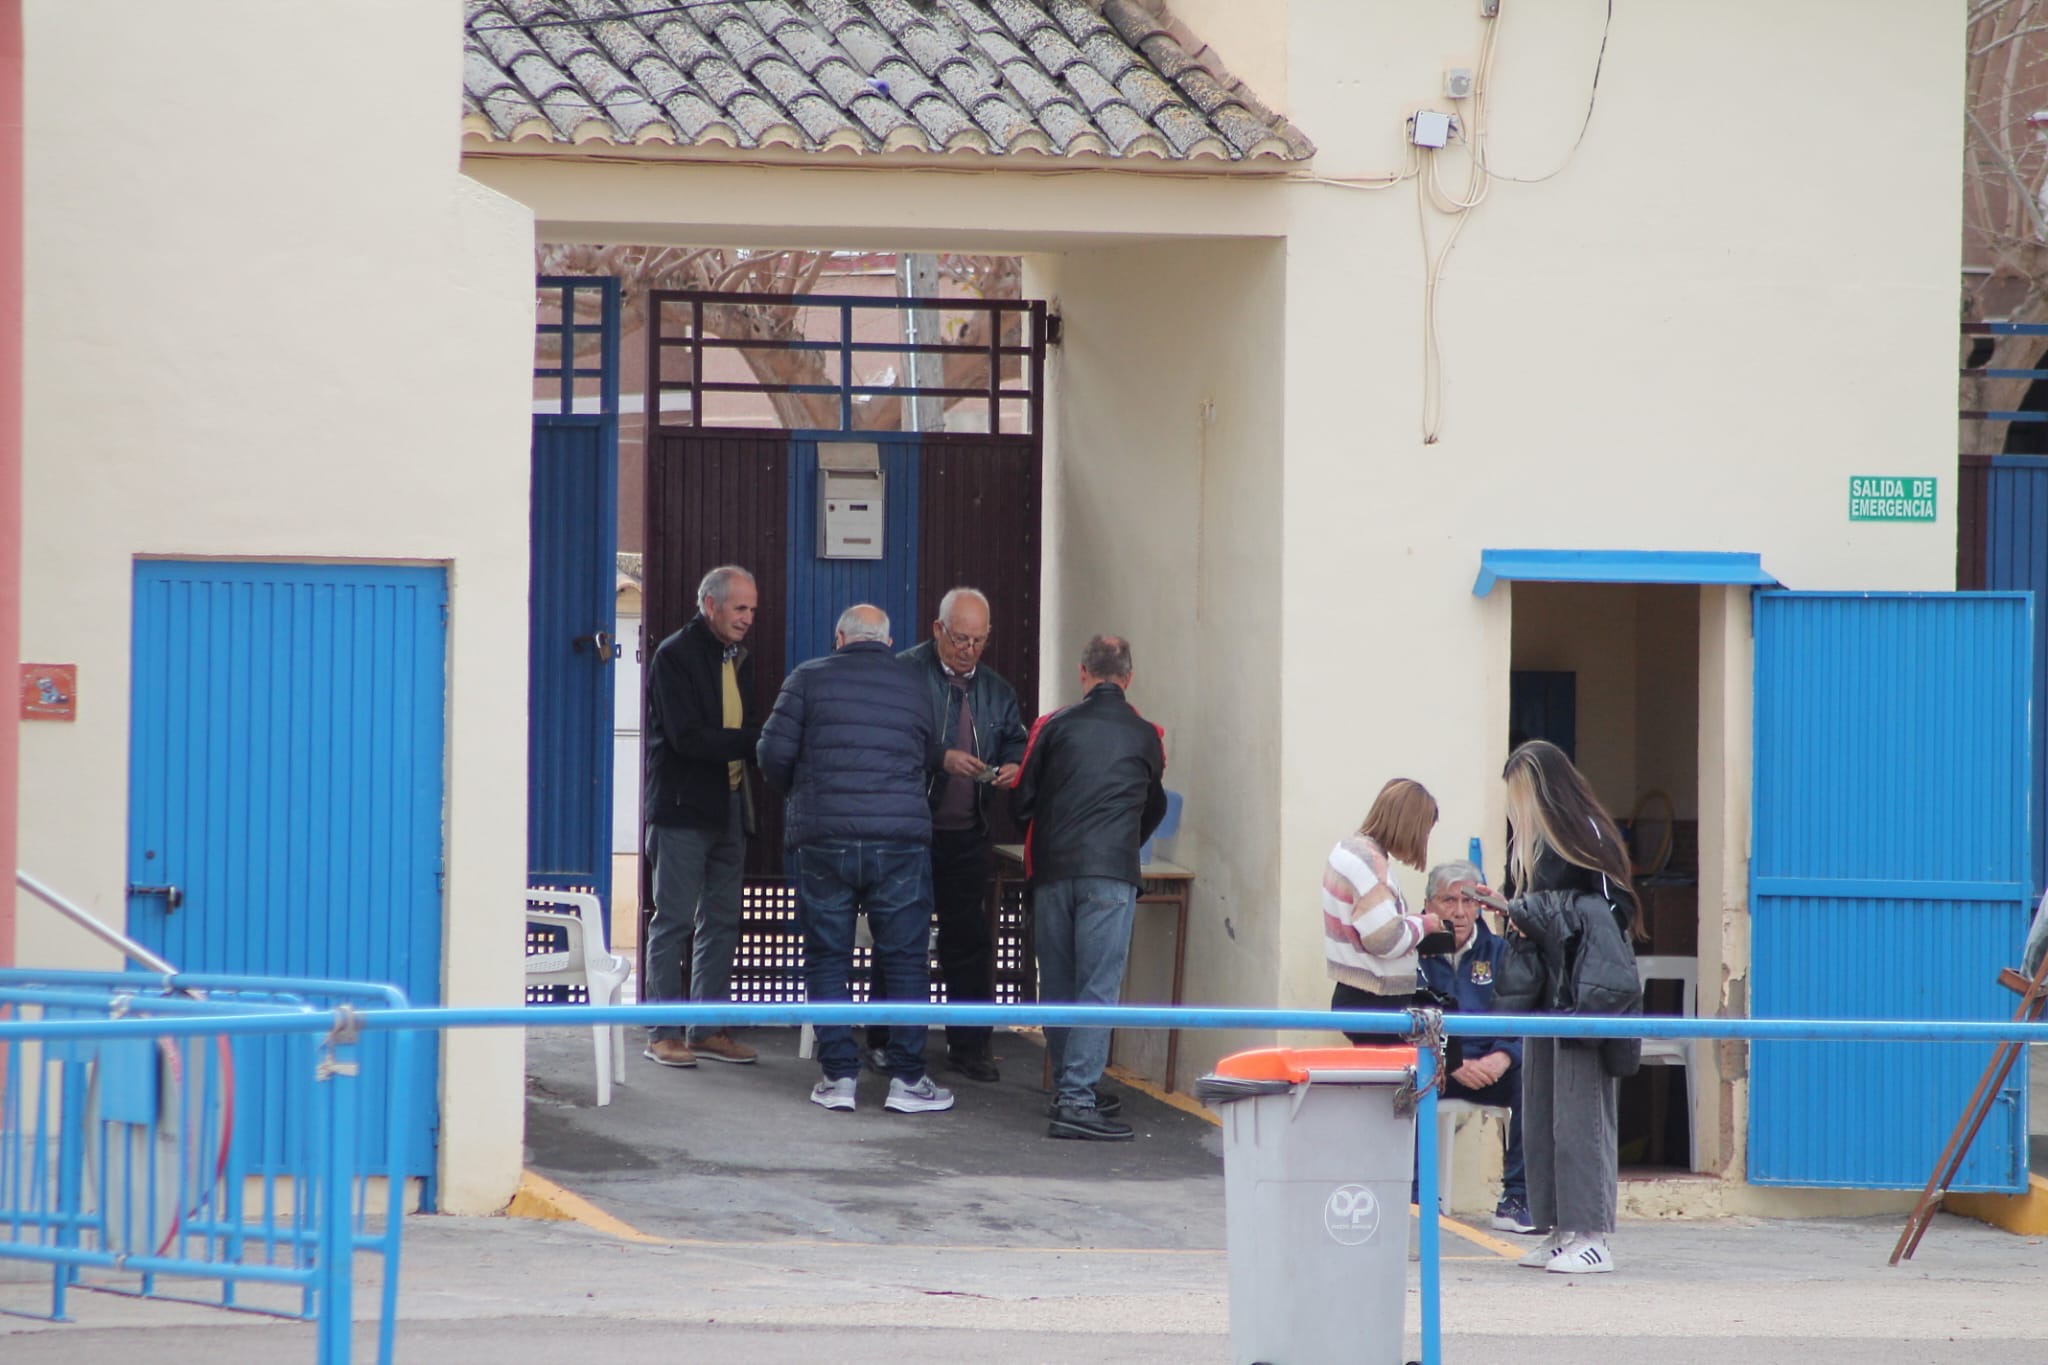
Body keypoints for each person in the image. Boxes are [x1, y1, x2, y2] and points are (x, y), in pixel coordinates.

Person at [756, 604, 954, 1115]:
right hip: (899, 842)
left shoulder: (806, 678)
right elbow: (929, 753)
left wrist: (804, 797)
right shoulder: (916, 684)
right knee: (905, 959)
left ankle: (839, 1077)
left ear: (839, 638)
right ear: (887, 642)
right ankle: (907, 1080)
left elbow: (771, 754)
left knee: (827, 957)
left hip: (825, 841)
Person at [1010, 634, 1166, 1142]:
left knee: (1058, 983)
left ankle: (1069, 1088)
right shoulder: (1146, 735)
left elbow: (1021, 800)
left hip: (1052, 871)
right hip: (1110, 874)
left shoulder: (1054, 726)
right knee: (1097, 987)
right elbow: (1154, 807)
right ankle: (1077, 1099)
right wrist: (1123, 844)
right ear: (1129, 677)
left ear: (1083, 672)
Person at [1497, 739, 1644, 1275]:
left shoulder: (1587, 834)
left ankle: (1593, 1236)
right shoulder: (1534, 850)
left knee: (1582, 1118)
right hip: (1547, 993)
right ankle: (1559, 1229)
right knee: (1543, 1117)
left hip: (1586, 993)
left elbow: (1611, 912)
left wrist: (1537, 910)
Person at [893, 586, 1027, 1084]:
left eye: (978, 640)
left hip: (969, 832)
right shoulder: (906, 675)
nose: (968, 649)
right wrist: (941, 758)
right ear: (937, 629)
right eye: (959, 639)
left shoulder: (997, 690)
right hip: (911, 831)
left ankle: (969, 1046)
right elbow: (891, 740)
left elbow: (1016, 738)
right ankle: (887, 1041)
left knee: (969, 942)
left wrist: (1013, 763)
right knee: (900, 937)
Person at [641, 565, 762, 1069]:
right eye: (740, 608)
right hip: (682, 810)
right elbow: (686, 737)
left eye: (752, 609)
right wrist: (756, 742)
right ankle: (663, 1033)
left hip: (729, 805)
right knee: (673, 921)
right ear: (710, 605)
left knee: (721, 921)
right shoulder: (675, 655)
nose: (748, 618)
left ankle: (706, 1029)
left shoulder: (736, 657)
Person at [1417, 859, 1533, 1235]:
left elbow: (1520, 1010)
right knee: (1406, 1074)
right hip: (1437, 1067)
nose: (1460, 911)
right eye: (1448, 900)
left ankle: (1518, 1198)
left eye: (1468, 901)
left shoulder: (1500, 952)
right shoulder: (1412, 953)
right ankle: (1418, 1196)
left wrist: (1504, 1056)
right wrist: (1449, 1060)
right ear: (1429, 905)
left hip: (1490, 1067)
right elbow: (1410, 1019)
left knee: (1534, 1076)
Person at [1322, 779, 1443, 1045]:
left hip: (1354, 991)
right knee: (1394, 1071)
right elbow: (1385, 938)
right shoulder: (1370, 865)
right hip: (1376, 998)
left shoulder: (1346, 850)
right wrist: (1423, 924)